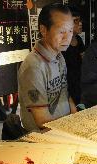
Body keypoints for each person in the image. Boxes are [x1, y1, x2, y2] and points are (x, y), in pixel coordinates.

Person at [18, 3, 76, 132]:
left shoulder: (59, 56)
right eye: (61, 31)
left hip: (64, 129)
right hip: (45, 138)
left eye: (70, 30)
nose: (67, 37)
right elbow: (42, 121)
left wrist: (76, 119)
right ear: (43, 30)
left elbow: (65, 94)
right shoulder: (33, 66)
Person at [62, 6, 85, 106]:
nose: (80, 24)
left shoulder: (79, 39)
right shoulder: (62, 44)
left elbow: (84, 59)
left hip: (79, 83)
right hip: (67, 86)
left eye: (80, 20)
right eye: (75, 21)